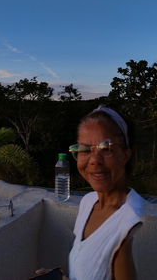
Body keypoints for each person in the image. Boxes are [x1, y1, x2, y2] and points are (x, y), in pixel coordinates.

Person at [41, 105, 145, 280]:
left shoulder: (128, 222)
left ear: (125, 155)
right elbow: (84, 263)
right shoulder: (88, 202)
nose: (95, 160)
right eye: (84, 150)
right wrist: (60, 274)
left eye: (106, 149)